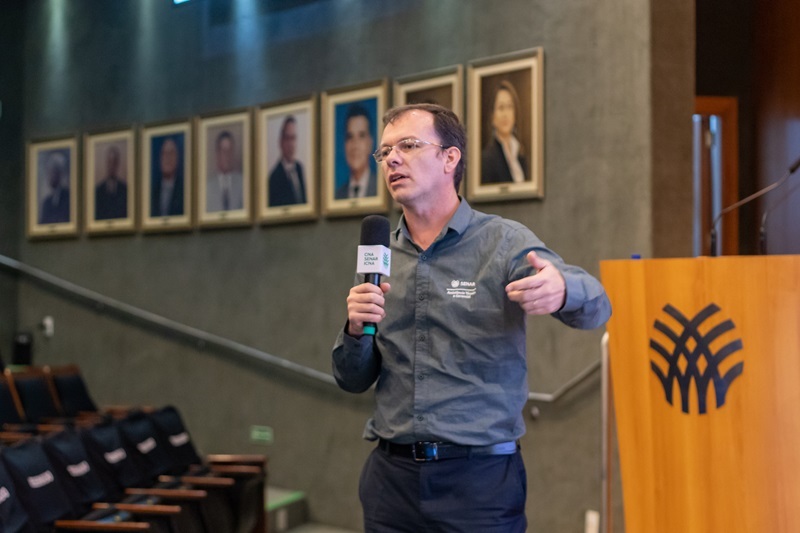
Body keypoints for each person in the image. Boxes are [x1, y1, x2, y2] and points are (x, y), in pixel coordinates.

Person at [331, 103, 611, 532]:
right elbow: (352, 379)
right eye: (385, 152)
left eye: (408, 146)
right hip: (392, 482)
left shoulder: (502, 242)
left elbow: (598, 305)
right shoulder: (381, 256)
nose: (392, 159)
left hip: (478, 485)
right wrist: (355, 330)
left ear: (450, 158)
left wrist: (562, 288)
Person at [481, 80, 528, 184]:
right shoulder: (487, 159)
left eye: (510, 107)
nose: (505, 114)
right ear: (492, 116)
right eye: (501, 107)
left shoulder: (521, 153)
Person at [335, 104, 378, 199]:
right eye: (350, 137)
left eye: (361, 136)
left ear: (370, 143)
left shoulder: (382, 189)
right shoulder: (338, 195)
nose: (355, 145)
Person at [268, 115, 307, 206]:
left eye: (293, 138)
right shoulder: (274, 177)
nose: (291, 144)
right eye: (287, 138)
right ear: (281, 142)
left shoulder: (299, 168)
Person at [206, 130, 244, 212]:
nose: (227, 155)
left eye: (230, 151)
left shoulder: (243, 183)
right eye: (224, 151)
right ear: (217, 154)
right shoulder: (207, 187)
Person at [150, 136, 184, 218]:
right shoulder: (152, 191)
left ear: (177, 158)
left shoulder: (184, 190)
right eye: (165, 154)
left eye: (171, 153)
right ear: (160, 158)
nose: (168, 158)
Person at [94, 145, 128, 220]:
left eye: (114, 162)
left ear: (117, 164)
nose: (111, 166)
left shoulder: (125, 189)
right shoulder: (98, 190)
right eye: (110, 162)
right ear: (106, 163)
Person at [39, 151, 70, 224]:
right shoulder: (47, 202)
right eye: (48, 172)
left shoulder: (69, 198)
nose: (49, 177)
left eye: (52, 172)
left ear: (60, 173)